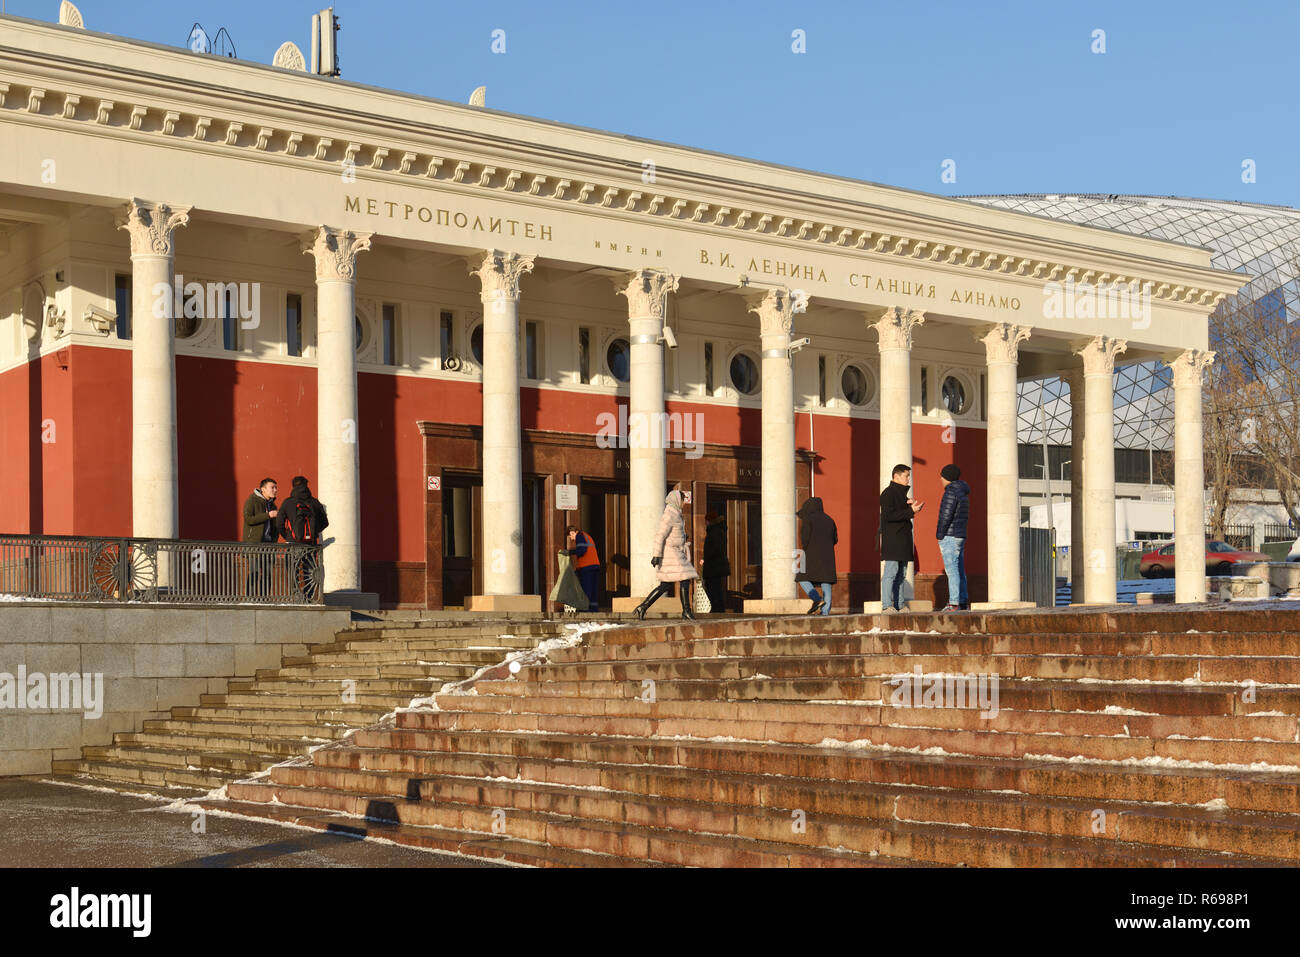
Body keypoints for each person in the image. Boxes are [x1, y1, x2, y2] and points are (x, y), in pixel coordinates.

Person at [631, 490, 699, 620]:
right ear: (677, 500)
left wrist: (683, 539)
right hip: (671, 553)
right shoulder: (670, 514)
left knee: (665, 585)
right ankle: (686, 611)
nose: (684, 502)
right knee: (685, 578)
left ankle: (643, 607)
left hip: (676, 551)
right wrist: (656, 554)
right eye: (683, 499)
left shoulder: (677, 514)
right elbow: (660, 535)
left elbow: (673, 534)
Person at [879, 463, 923, 612]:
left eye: (909, 475)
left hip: (903, 541)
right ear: (896, 476)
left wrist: (910, 508)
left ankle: (900, 605)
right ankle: (886, 605)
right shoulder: (888, 494)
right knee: (890, 573)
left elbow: (901, 514)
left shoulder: (902, 495)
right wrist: (910, 511)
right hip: (893, 541)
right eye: (906, 475)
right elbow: (888, 516)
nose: (908, 479)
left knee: (902, 575)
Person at [278, 475, 329, 597]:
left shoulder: (288, 502)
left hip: (293, 543)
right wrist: (314, 532)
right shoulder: (315, 502)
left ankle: (294, 595)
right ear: (306, 485)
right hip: (311, 544)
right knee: (309, 572)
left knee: (292, 570)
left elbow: (279, 523)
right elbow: (325, 523)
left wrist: (288, 536)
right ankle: (309, 597)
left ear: (293, 486)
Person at [935, 464, 971, 612]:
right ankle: (962, 601)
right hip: (960, 535)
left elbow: (946, 515)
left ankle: (954, 603)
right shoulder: (962, 492)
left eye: (942, 476)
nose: (940, 479)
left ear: (947, 477)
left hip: (950, 535)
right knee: (960, 569)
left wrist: (939, 534)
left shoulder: (950, 492)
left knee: (952, 570)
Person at [796, 497, 838, 615]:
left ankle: (817, 598)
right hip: (828, 556)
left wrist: (806, 548)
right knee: (826, 580)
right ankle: (825, 613)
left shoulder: (808, 519)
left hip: (811, 555)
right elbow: (835, 539)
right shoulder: (830, 520)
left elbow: (805, 538)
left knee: (801, 577)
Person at [242, 477, 279, 597]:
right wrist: (267, 515)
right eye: (272, 487)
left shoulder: (273, 505)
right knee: (255, 572)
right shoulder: (252, 500)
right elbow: (248, 519)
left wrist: (274, 540)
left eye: (276, 487)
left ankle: (264, 599)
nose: (275, 490)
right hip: (253, 544)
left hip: (269, 546)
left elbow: (275, 527)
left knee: (267, 574)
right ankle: (250, 599)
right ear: (263, 489)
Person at [564, 525, 602, 612]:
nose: (572, 539)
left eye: (570, 537)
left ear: (572, 532)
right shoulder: (587, 536)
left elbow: (582, 550)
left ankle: (585, 611)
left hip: (587, 568)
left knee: (586, 590)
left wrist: (570, 552)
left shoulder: (579, 536)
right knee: (593, 592)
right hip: (595, 566)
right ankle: (594, 611)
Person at [701, 511, 729, 614]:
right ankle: (717, 609)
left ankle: (718, 609)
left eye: (706, 521)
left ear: (709, 521)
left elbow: (715, 549)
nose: (705, 523)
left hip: (714, 565)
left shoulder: (715, 532)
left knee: (713, 588)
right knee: (714, 588)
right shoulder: (716, 531)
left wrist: (707, 558)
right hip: (715, 565)